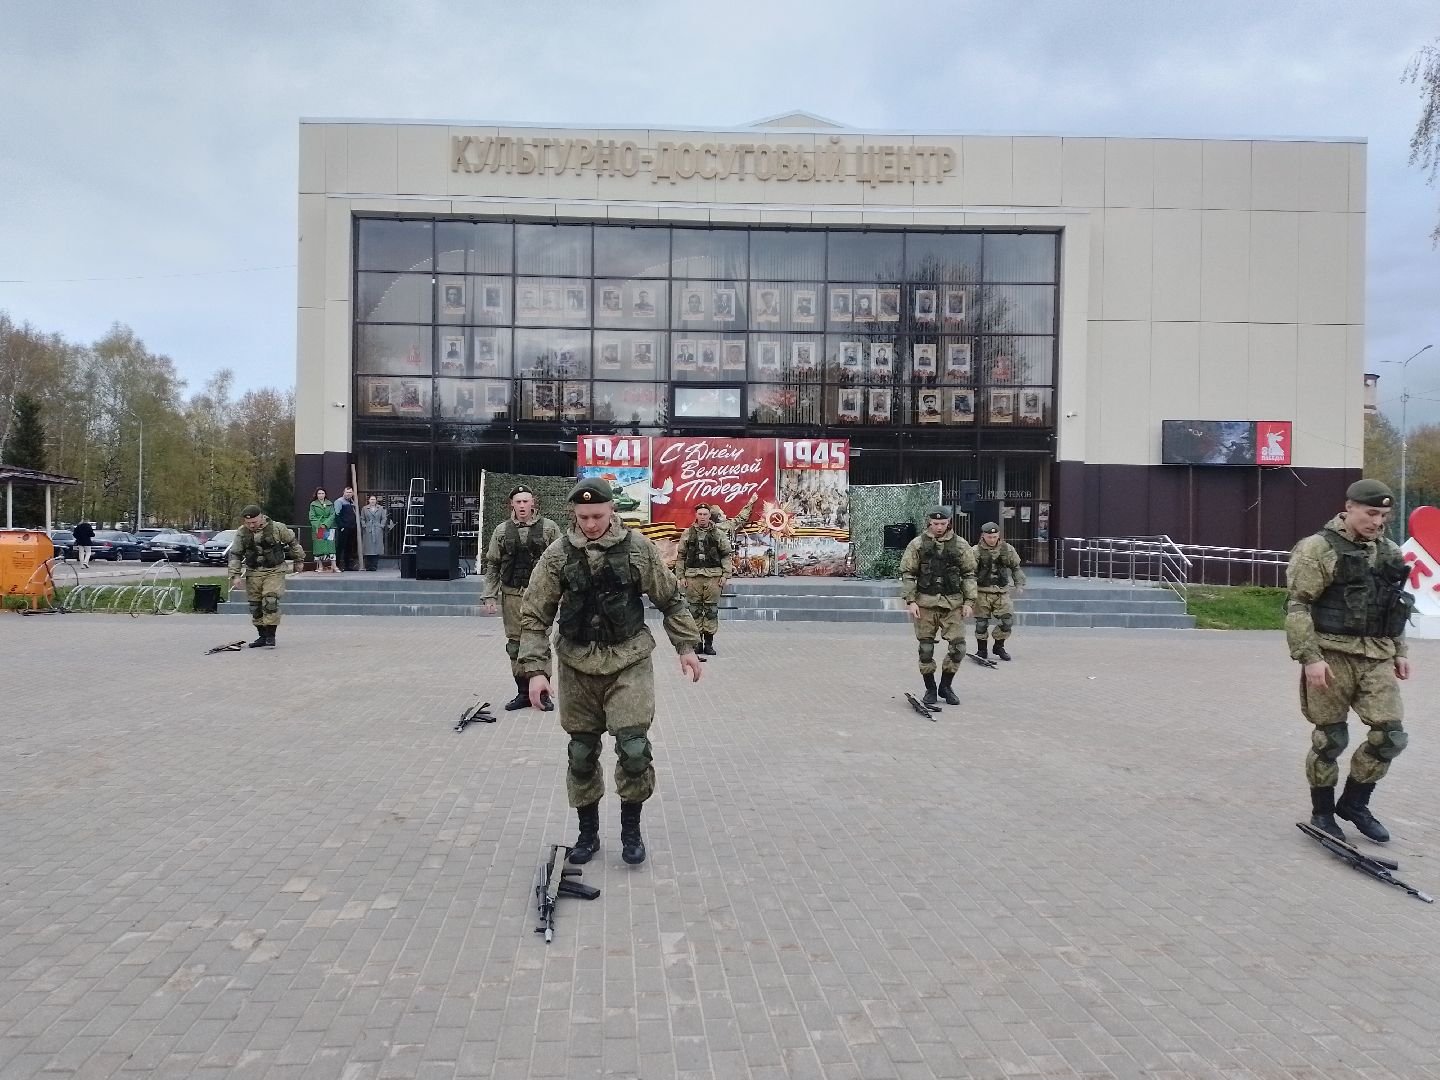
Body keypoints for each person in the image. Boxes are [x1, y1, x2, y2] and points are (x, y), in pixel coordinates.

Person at [518, 478, 702, 867]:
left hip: (628, 661)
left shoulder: (637, 549)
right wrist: (536, 671)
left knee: (634, 750)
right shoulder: (557, 555)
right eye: (582, 516)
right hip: (576, 663)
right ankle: (587, 834)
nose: (589, 524)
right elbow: (535, 616)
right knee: (581, 752)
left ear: (611, 511)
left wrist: (686, 647)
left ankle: (631, 830)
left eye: (597, 515)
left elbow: (670, 598)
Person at [1287, 479, 1414, 844]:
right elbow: (1298, 605)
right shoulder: (1318, 548)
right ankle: (1323, 812)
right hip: (1330, 654)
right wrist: (1310, 657)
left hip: (1376, 656)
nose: (1377, 521)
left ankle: (1354, 804)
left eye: (1384, 515)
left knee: (1390, 736)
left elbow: (1395, 606)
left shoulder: (1389, 550)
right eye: (1371, 513)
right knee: (1330, 739)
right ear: (1350, 507)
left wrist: (1400, 651)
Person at [484, 485, 563, 711]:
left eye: (525, 501)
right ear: (512, 504)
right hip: (512, 596)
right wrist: (489, 595)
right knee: (515, 645)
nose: (521, 506)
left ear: (533, 503)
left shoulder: (549, 528)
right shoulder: (501, 531)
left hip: (541, 596)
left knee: (539, 642)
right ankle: (523, 693)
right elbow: (493, 565)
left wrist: (565, 595)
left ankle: (543, 692)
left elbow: (562, 563)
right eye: (517, 502)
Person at [900, 508, 977, 706]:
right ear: (929, 522)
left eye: (943, 524)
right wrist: (911, 601)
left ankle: (945, 686)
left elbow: (969, 574)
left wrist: (969, 602)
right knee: (925, 649)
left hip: (952, 604)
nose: (939, 527)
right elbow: (908, 574)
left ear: (949, 522)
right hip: (925, 603)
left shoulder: (960, 545)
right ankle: (930, 689)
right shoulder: (917, 544)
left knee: (958, 648)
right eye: (935, 524)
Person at [227, 504, 306, 648]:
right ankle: (262, 636)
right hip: (253, 571)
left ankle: (271, 635)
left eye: (254, 522)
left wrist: (299, 560)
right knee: (255, 606)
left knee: (270, 600)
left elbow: (292, 542)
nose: (251, 525)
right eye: (248, 523)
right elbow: (235, 554)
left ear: (261, 517)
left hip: (274, 570)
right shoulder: (242, 533)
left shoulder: (277, 528)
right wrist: (235, 575)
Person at [676, 504, 734, 659]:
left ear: (710, 516)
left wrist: (725, 575)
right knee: (693, 611)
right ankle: (697, 643)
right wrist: (681, 576)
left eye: (705, 514)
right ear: (696, 515)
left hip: (713, 577)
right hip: (692, 577)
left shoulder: (718, 533)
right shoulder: (688, 533)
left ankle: (709, 644)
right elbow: (681, 556)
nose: (702, 517)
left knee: (710, 610)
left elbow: (726, 555)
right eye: (700, 514)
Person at [972, 522, 1027, 661]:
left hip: (1001, 592)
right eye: (989, 536)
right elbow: (969, 572)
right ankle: (981, 650)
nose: (992, 539)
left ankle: (998, 646)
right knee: (981, 623)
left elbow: (1016, 567)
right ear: (983, 535)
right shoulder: (975, 551)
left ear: (999, 536)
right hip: (982, 591)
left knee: (1007, 620)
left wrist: (1019, 583)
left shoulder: (1007, 549)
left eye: (995, 536)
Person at [309, 488, 337, 572]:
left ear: (325, 494)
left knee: (330, 546)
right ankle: (320, 566)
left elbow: (332, 515)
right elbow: (312, 516)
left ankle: (334, 566)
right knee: (319, 546)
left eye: (322, 493)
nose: (321, 495)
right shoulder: (313, 504)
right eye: (319, 493)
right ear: (316, 495)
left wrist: (325, 524)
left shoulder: (330, 504)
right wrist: (319, 525)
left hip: (328, 527)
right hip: (318, 528)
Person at [360, 495, 389, 572]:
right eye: (371, 499)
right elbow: (362, 518)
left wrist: (381, 526)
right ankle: (368, 566)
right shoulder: (365, 508)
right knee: (367, 548)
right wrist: (364, 526)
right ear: (368, 500)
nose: (372, 501)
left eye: (374, 499)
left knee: (376, 548)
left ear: (376, 500)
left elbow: (384, 518)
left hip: (377, 529)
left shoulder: (380, 508)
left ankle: (374, 566)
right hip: (368, 529)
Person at [334, 486, 359, 572]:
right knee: (340, 547)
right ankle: (337, 566)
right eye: (347, 492)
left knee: (349, 547)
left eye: (350, 492)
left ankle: (347, 566)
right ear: (343, 492)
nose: (348, 494)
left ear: (352, 493)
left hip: (352, 528)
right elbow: (336, 515)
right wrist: (341, 526)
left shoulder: (352, 502)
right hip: (344, 528)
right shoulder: (339, 501)